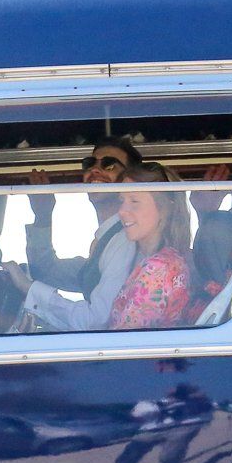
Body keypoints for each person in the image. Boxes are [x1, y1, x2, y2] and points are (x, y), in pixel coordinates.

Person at [14, 138, 141, 332]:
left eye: (109, 164)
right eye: (89, 164)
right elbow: (47, 271)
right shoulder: (107, 239)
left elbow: (97, 320)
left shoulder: (125, 240)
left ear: (130, 182)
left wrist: (29, 288)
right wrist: (43, 216)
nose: (95, 170)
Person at [105, 163, 194, 330]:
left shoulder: (158, 270)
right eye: (122, 200)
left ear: (164, 209)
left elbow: (124, 341)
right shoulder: (163, 260)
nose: (122, 211)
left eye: (134, 201)